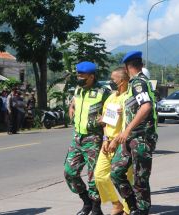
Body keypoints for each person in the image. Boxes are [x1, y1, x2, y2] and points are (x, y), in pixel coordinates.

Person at [111, 51, 158, 215]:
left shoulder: (139, 83)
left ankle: (142, 210)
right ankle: (132, 207)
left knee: (140, 178)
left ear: (126, 67)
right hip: (130, 137)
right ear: (141, 64)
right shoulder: (134, 85)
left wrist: (127, 130)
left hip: (142, 137)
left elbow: (146, 107)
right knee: (116, 172)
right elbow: (135, 109)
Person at [64, 61, 110, 215]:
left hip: (94, 138)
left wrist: (107, 120)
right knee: (69, 173)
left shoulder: (103, 92)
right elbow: (75, 101)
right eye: (78, 74)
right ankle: (86, 202)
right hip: (77, 137)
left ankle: (96, 208)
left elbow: (115, 109)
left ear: (92, 76)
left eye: (82, 76)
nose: (79, 78)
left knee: (93, 176)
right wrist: (71, 106)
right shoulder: (79, 89)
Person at [94, 67, 132, 215]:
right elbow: (105, 122)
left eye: (113, 79)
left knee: (127, 178)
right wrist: (105, 139)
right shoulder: (110, 98)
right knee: (100, 176)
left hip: (123, 144)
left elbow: (130, 124)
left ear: (121, 81)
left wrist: (116, 140)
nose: (110, 81)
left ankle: (129, 209)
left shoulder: (129, 98)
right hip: (108, 142)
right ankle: (116, 204)